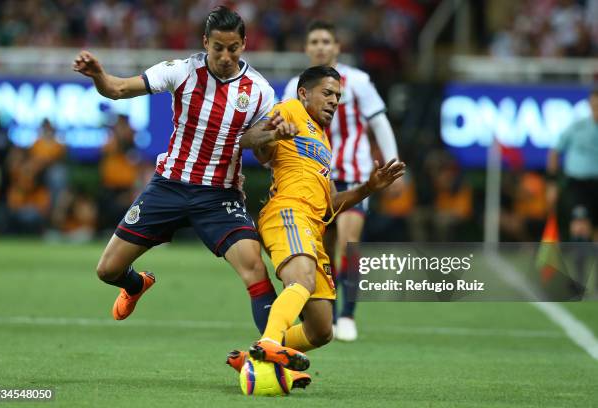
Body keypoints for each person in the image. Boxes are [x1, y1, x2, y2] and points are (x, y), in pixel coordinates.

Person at [72, 6, 287, 337]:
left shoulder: (260, 90)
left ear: (244, 44)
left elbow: (251, 141)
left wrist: (273, 132)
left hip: (219, 195)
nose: (226, 56)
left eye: (233, 48)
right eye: (218, 48)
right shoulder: (182, 70)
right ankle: (135, 284)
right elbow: (118, 90)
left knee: (255, 268)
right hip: (169, 187)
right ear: (206, 42)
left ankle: (275, 347)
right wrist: (99, 75)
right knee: (107, 270)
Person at [227, 66, 405, 380]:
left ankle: (254, 356)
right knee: (302, 282)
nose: (335, 100)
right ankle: (269, 344)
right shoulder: (290, 111)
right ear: (304, 93)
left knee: (322, 330)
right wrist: (270, 133)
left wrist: (367, 188)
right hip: (287, 214)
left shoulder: (323, 144)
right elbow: (250, 141)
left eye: (338, 95)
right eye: (328, 93)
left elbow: (330, 204)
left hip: (313, 226)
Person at [282, 20, 402, 341]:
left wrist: (393, 165)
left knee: (350, 241)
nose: (320, 46)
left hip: (354, 174)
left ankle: (349, 315)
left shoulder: (359, 81)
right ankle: (331, 316)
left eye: (326, 41)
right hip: (316, 179)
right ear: (307, 48)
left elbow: (380, 122)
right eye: (314, 41)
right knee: (325, 249)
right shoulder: (296, 85)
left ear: (337, 47)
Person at [546, 87, 598, 288]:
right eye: (594, 105)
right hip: (578, 185)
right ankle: (578, 278)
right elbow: (554, 152)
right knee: (579, 226)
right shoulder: (576, 128)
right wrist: (552, 182)